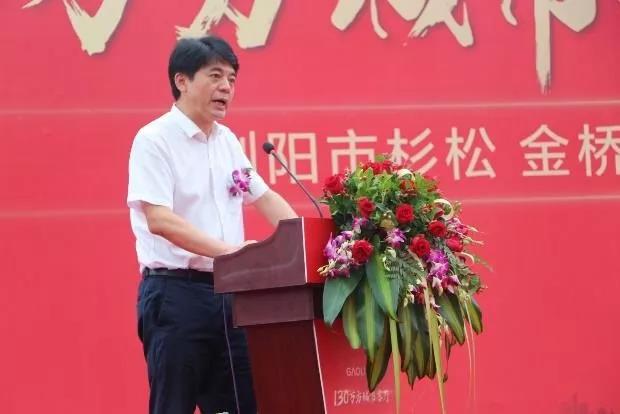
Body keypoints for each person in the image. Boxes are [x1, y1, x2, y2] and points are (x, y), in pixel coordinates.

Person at [127, 35, 297, 414]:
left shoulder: (227, 142)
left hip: (231, 298)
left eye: (232, 79)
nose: (226, 88)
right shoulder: (154, 140)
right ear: (182, 81)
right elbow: (160, 219)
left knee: (241, 404)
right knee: (174, 405)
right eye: (215, 76)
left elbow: (264, 197)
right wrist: (231, 253)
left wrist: (305, 242)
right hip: (175, 295)